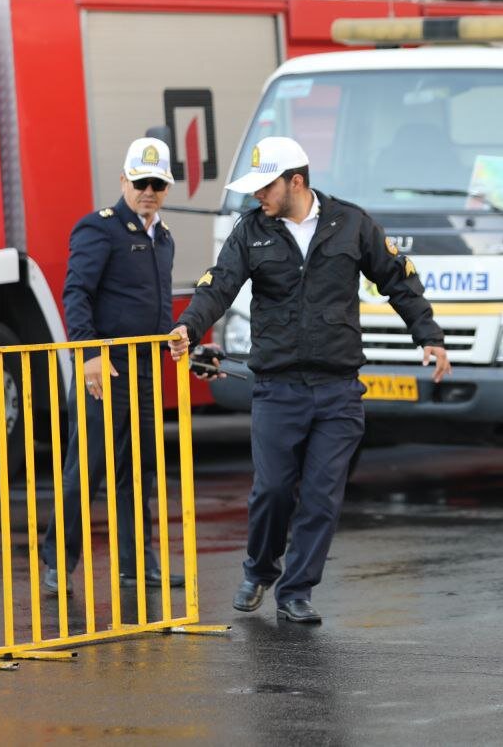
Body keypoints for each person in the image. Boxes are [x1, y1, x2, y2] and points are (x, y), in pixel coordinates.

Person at [170, 136, 451, 624]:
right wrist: (188, 328)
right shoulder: (251, 232)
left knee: (322, 495)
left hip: (337, 389)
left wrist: (429, 336)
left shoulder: (351, 224)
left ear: (295, 181)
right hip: (278, 388)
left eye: (266, 186)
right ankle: (260, 569)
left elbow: (398, 279)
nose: (257, 195)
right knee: (274, 489)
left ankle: (297, 590)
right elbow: (219, 285)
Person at [41, 137, 184, 593]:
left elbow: (156, 308)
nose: (148, 191)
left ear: (167, 188)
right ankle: (56, 563)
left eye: (157, 184)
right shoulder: (98, 229)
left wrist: (178, 345)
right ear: (123, 180)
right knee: (87, 468)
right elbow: (76, 294)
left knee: (138, 470)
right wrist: (87, 356)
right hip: (103, 368)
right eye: (140, 182)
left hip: (143, 371)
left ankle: (137, 563)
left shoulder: (163, 238)